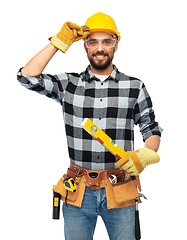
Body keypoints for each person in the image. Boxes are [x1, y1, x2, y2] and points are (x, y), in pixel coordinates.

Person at [17, 12, 162, 240]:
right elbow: (27, 77)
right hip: (78, 190)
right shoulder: (68, 84)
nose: (100, 48)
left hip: (120, 190)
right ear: (84, 46)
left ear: (116, 45)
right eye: (93, 42)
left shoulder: (134, 86)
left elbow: (151, 129)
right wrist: (58, 42)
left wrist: (146, 154)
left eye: (106, 41)